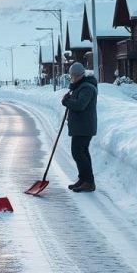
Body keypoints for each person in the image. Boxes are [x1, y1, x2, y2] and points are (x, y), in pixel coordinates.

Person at [62, 62, 97, 193]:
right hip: (81, 126)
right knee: (82, 152)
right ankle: (84, 179)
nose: (72, 79)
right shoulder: (81, 86)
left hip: (84, 127)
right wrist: (70, 97)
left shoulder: (87, 88)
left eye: (73, 76)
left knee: (78, 153)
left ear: (78, 75)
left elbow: (80, 105)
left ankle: (88, 181)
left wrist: (67, 102)